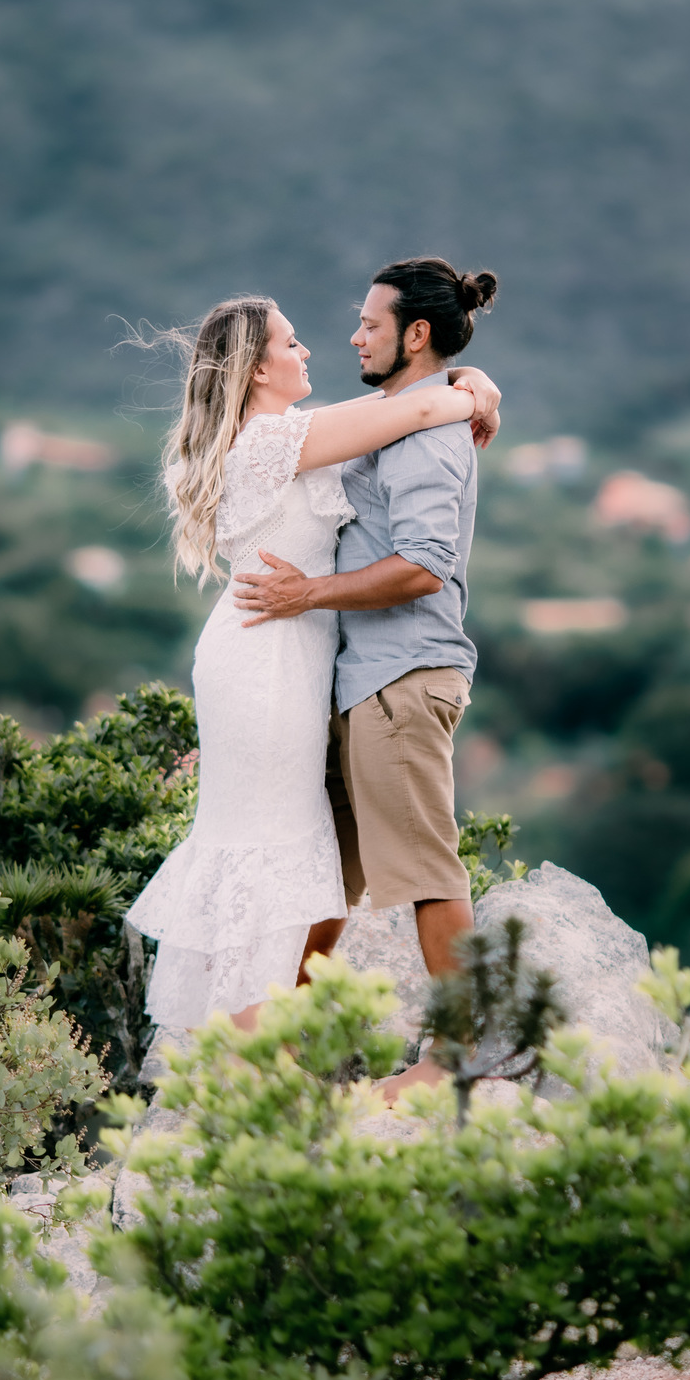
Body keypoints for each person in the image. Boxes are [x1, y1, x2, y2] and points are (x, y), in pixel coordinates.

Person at [124, 293, 500, 1034]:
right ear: (257, 369)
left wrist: (472, 378)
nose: (307, 353)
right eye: (290, 344)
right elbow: (421, 410)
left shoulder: (287, 434)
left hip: (284, 653)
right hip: (266, 660)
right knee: (271, 837)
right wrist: (477, 392)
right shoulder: (273, 440)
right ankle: (248, 1038)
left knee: (290, 838)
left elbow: (402, 409)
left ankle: (256, 1036)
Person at [232, 258, 497, 1096]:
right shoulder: (402, 419)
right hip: (360, 685)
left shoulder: (426, 435)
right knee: (324, 872)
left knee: (426, 869)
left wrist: (307, 593)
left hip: (403, 680)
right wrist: (475, 385)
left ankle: (455, 1060)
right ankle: (276, 1043)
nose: (354, 337)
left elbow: (422, 565)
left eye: (370, 324)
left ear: (415, 334)